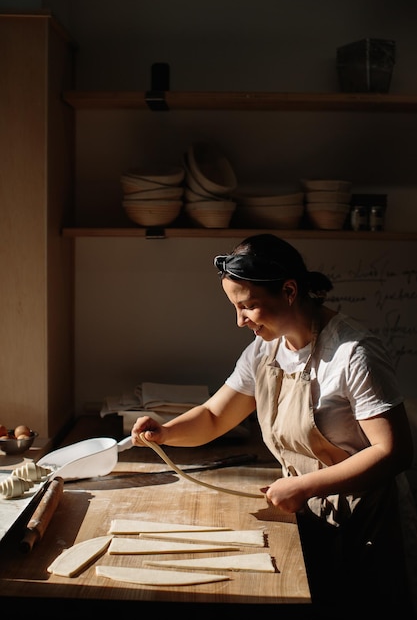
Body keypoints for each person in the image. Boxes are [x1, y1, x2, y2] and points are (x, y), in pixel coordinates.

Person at [132, 233, 417, 617]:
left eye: (248, 306)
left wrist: (302, 485)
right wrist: (165, 433)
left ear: (288, 290)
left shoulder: (353, 354)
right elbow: (215, 416)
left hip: (367, 526)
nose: (239, 321)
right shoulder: (265, 350)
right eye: (235, 307)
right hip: (310, 516)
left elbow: (393, 452)